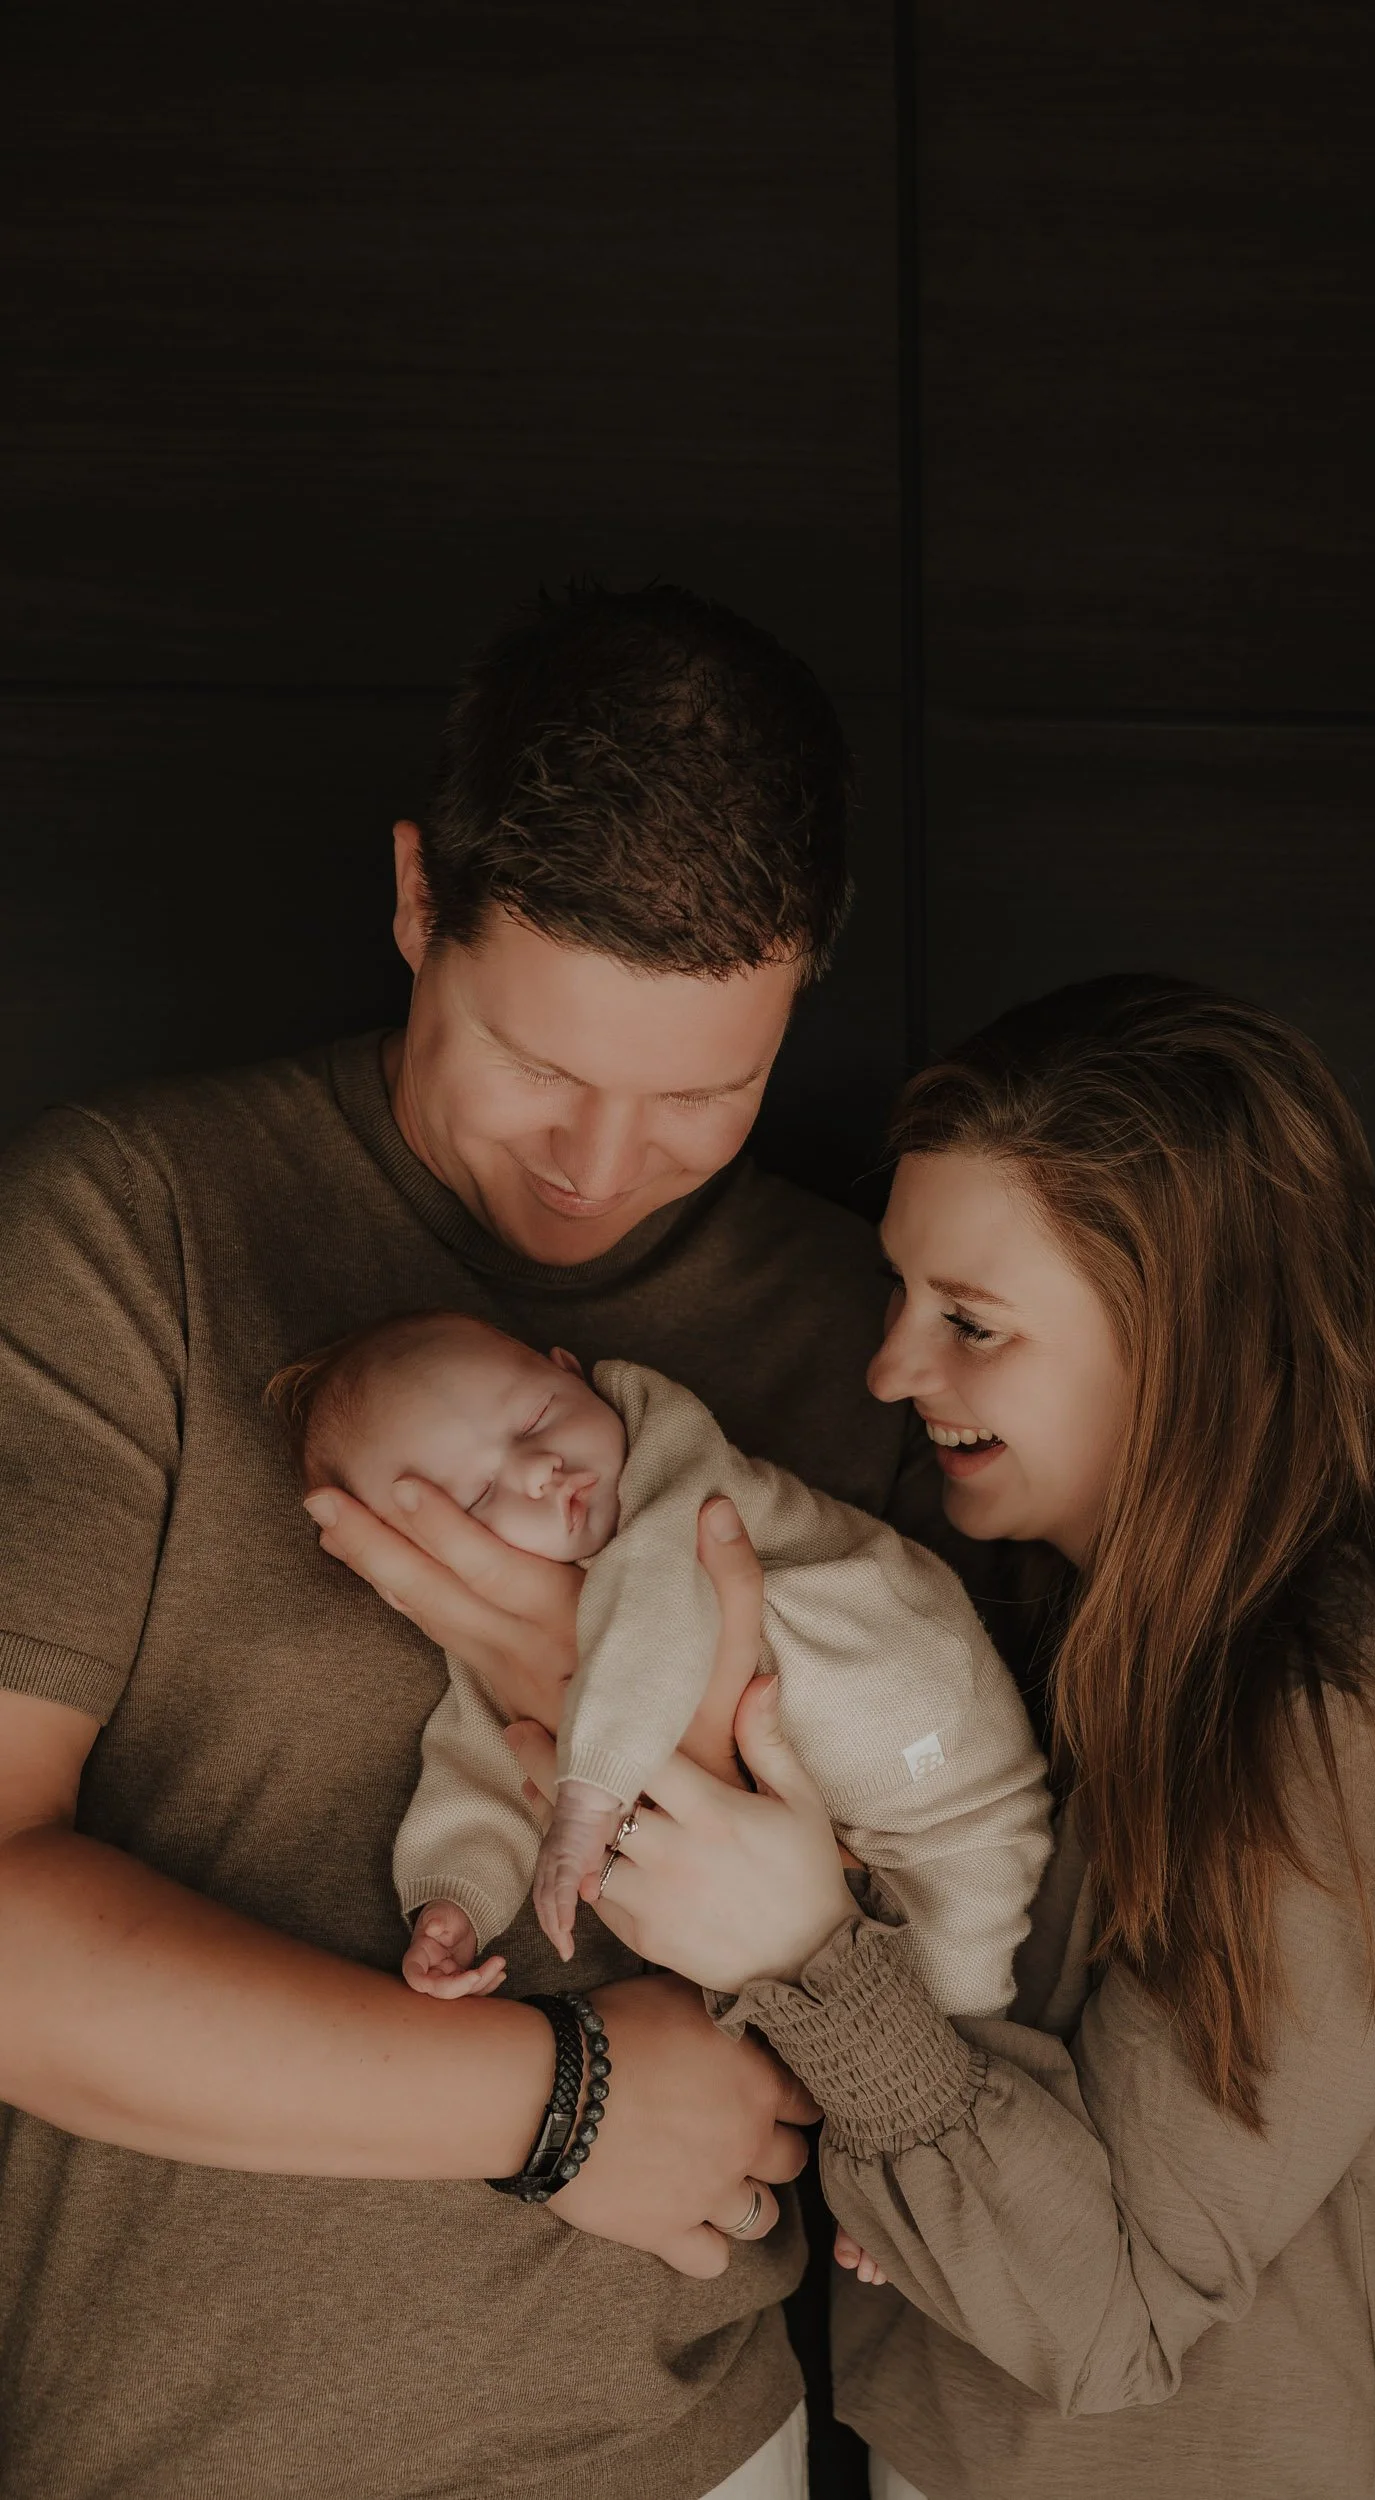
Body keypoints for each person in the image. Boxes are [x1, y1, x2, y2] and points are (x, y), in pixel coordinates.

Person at [0, 582, 940, 2500]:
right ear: (418, 900)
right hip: (184, 2452)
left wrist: (581, 1691)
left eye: (701, 1095)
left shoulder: (873, 1330)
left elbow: (945, 1938)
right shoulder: (130, 1229)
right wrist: (559, 2101)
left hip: (692, 2452)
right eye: (537, 1065)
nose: (598, 1167)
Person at [563, 976, 1375, 2500]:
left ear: (1183, 1339)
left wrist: (804, 1955)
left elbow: (1105, 2311)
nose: (890, 1371)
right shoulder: (1071, 1636)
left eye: (970, 1324)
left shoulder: (1365, 1732)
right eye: (902, 1299)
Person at [264, 1306, 1048, 2000]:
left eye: (537, 1417)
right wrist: (454, 1900)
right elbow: (482, 1765)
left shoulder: (667, 1462)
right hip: (847, 1849)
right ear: (432, 1555)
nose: (538, 1471)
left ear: (570, 1372)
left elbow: (656, 1614)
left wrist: (589, 1795)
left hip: (942, 1772)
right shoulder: (495, 1638)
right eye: (475, 1499)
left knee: (965, 1987)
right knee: (881, 2004)